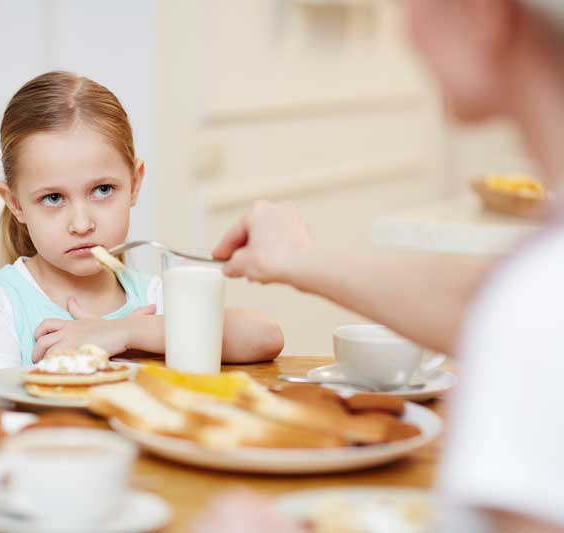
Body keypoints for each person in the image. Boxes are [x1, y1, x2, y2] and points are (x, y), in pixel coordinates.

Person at [203, 0, 564, 531]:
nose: (408, 33)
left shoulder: (536, 303)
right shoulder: (533, 290)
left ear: (482, 15)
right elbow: (481, 303)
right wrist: (300, 260)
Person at [0, 71, 283, 371]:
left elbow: (265, 337)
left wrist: (125, 333)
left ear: (135, 184)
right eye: (53, 198)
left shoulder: (153, 298)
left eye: (102, 190)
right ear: (15, 204)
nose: (82, 223)